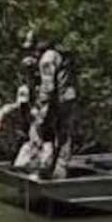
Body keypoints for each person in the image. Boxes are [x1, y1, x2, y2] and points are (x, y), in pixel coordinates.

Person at [24, 30, 76, 180]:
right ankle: (56, 167)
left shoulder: (47, 60)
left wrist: (39, 107)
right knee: (62, 133)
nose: (31, 51)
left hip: (58, 100)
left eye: (33, 47)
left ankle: (49, 168)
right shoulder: (55, 54)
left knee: (46, 130)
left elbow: (48, 87)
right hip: (66, 97)